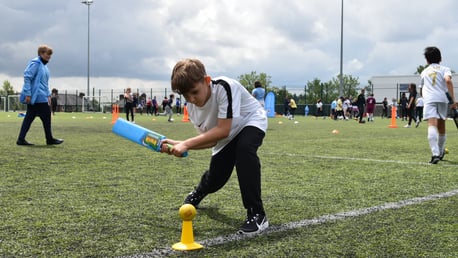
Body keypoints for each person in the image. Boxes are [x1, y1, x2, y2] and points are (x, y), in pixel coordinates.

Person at [164, 58, 268, 235]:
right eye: (186, 95)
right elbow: (211, 140)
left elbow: (223, 129)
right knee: (215, 179)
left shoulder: (224, 87)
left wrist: (186, 144)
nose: (192, 99)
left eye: (194, 92)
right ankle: (198, 192)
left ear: (206, 81)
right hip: (225, 135)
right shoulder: (192, 109)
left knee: (244, 150)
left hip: (250, 121)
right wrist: (179, 145)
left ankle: (257, 214)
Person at [17, 45, 63, 146]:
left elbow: (44, 83)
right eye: (47, 55)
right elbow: (27, 78)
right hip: (37, 97)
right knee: (45, 117)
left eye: (50, 56)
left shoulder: (44, 66)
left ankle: (21, 139)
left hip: (42, 96)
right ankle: (49, 139)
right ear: (41, 53)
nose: (49, 58)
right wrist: (28, 94)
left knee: (30, 118)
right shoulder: (36, 64)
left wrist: (48, 96)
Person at [419, 46, 457, 164]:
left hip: (429, 99)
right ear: (440, 58)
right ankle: (440, 152)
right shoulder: (445, 69)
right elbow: (448, 81)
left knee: (432, 125)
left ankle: (435, 153)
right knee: (441, 126)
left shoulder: (424, 72)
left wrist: (425, 97)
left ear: (427, 60)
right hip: (443, 99)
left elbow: (421, 89)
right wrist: (453, 101)